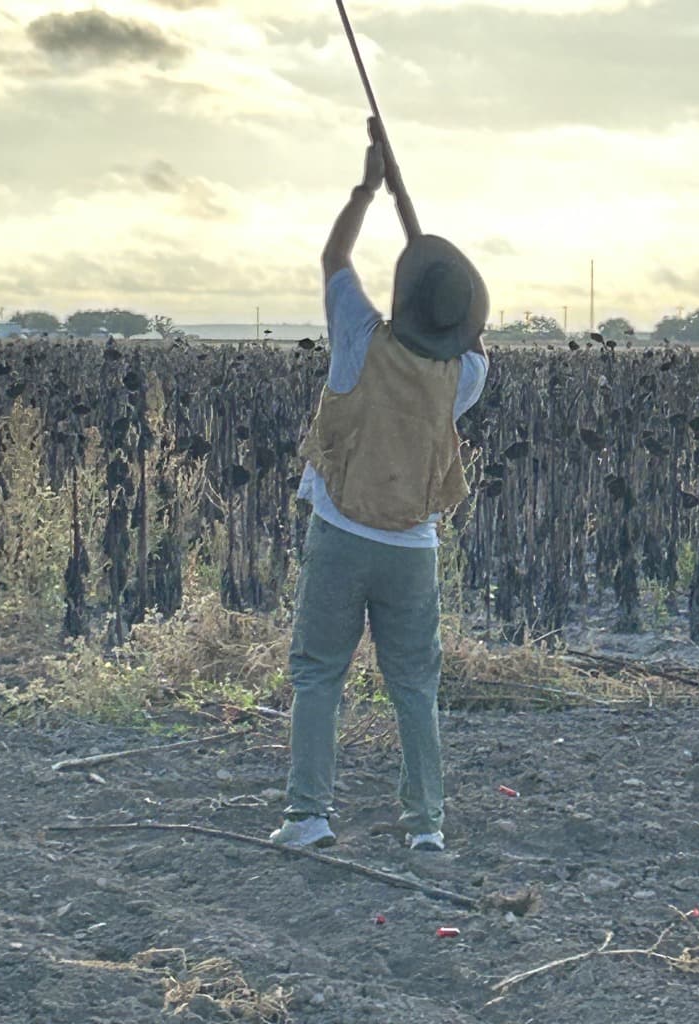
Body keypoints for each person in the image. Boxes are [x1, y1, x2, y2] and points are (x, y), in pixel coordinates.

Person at [270, 119, 490, 852]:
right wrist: (416, 223)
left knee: (318, 674)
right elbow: (468, 338)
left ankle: (308, 817)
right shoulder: (466, 374)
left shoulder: (360, 336)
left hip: (340, 533)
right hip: (413, 549)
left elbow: (335, 256)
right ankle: (426, 827)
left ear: (402, 300)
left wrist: (369, 191)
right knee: (414, 686)